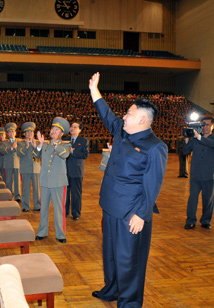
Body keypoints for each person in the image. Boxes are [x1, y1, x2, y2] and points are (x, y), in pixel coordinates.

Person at [89, 72, 168, 307]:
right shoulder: (122, 131)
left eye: (129, 113)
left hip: (130, 214)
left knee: (129, 261)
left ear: (142, 120)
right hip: (110, 207)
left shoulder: (155, 147)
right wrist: (94, 90)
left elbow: (153, 185)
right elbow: (107, 114)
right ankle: (112, 289)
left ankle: (130, 302)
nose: (124, 116)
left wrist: (141, 215)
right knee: (111, 256)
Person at [34, 117, 71, 244]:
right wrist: (39, 144)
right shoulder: (44, 144)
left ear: (62, 133)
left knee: (59, 209)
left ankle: (60, 234)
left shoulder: (66, 145)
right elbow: (36, 155)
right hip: (45, 182)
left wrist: (55, 143)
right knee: (43, 209)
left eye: (57, 130)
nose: (53, 131)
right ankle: (42, 232)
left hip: (58, 183)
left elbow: (64, 155)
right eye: (52, 128)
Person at [183, 116, 214, 230]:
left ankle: (206, 221)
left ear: (213, 126)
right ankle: (190, 221)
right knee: (192, 199)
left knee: (208, 200)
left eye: (207, 124)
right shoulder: (195, 139)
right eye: (203, 124)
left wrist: (198, 137)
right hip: (196, 174)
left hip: (210, 174)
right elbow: (185, 151)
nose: (204, 127)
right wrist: (187, 139)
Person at [65, 122, 89, 220]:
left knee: (76, 194)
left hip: (77, 172)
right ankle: (65, 212)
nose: (72, 128)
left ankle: (76, 214)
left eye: (75, 127)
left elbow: (85, 155)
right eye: (71, 126)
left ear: (80, 130)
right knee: (65, 193)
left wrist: (73, 152)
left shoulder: (83, 141)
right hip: (65, 171)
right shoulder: (65, 140)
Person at [17, 122, 41, 212]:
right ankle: (25, 206)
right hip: (25, 169)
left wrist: (35, 147)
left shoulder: (38, 142)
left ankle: (37, 205)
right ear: (24, 134)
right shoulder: (21, 143)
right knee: (25, 188)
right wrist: (26, 147)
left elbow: (40, 154)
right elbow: (19, 154)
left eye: (31, 132)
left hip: (36, 168)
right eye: (27, 132)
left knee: (36, 189)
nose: (29, 134)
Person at [0, 123, 21, 202]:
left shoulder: (19, 141)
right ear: (7, 134)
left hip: (17, 163)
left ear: (15, 133)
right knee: (8, 181)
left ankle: (17, 196)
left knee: (17, 181)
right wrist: (11, 148)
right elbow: (2, 151)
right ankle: (9, 195)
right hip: (8, 164)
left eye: (13, 131)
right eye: (9, 132)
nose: (11, 133)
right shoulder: (4, 142)